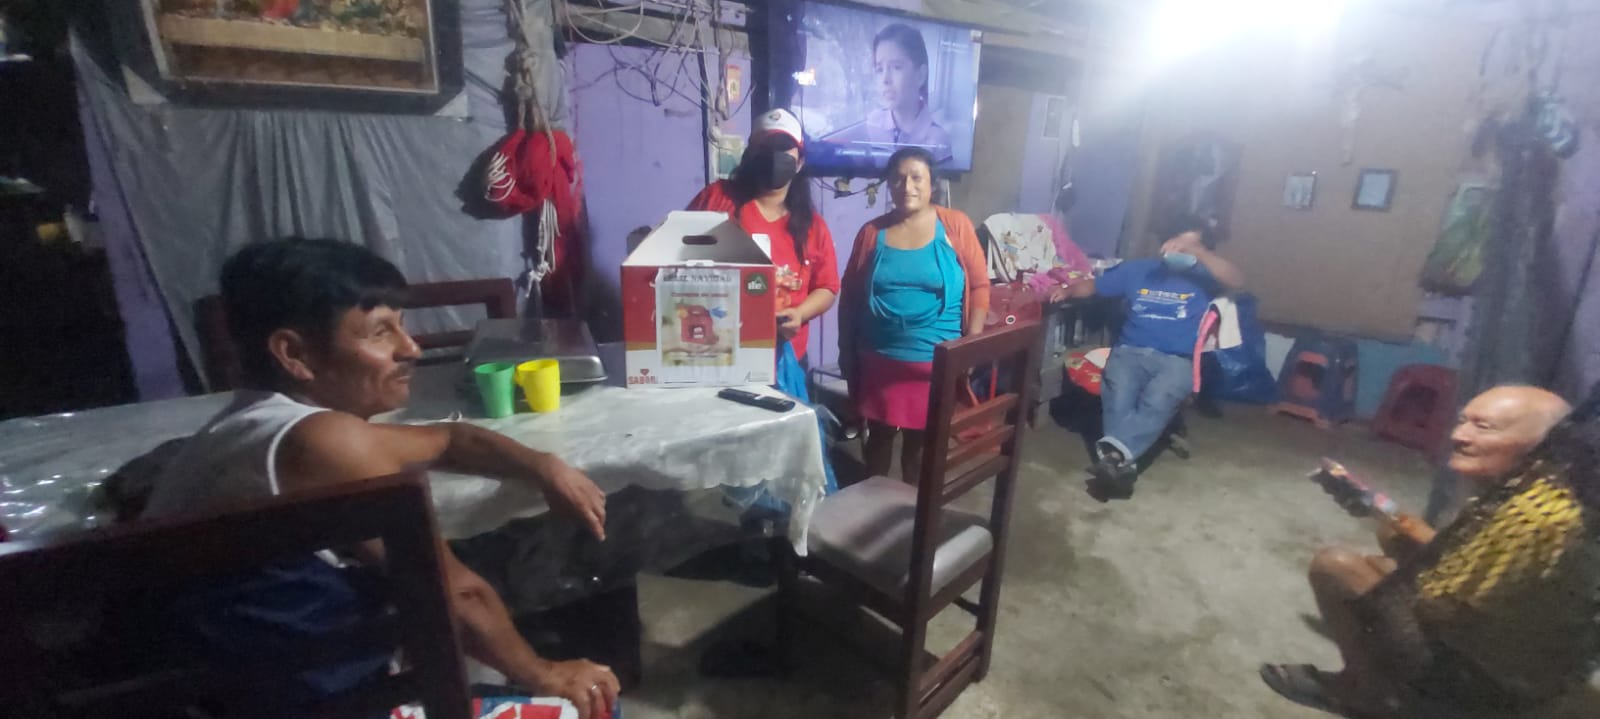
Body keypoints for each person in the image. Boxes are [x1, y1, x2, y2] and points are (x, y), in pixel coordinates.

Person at [144, 239, 621, 719]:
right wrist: (546, 674)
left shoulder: (261, 421)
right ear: (294, 354)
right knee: (590, 707)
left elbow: (450, 438)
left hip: (241, 689)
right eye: (379, 332)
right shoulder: (323, 442)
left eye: (402, 326)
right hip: (298, 705)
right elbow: (456, 594)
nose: (410, 348)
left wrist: (543, 465)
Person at [1261, 385, 1597, 717]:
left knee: (1336, 567)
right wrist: (1383, 514)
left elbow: (1448, 610)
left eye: (1483, 427)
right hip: (1505, 640)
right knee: (1392, 536)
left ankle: (1364, 694)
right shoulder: (1532, 486)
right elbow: (1460, 558)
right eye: (1463, 421)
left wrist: (1391, 580)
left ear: (1539, 444)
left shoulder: (1531, 518)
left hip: (1493, 677)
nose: (1459, 435)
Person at [1058, 218, 1245, 499]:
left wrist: (1198, 252)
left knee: (1159, 398)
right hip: (1130, 351)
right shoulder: (1140, 269)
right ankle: (1120, 466)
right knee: (1118, 396)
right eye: (1178, 241)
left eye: (1192, 244)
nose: (1182, 248)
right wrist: (1067, 290)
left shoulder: (1205, 277)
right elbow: (1094, 285)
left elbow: (1238, 280)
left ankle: (1114, 460)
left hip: (1177, 359)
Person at [838, 147, 988, 483]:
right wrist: (845, 350)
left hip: (935, 366)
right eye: (898, 178)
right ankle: (872, 505)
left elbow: (980, 286)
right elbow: (849, 297)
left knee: (920, 456)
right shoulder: (871, 232)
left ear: (932, 184)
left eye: (917, 177)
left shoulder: (955, 226)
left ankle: (913, 512)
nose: (907, 186)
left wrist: (972, 342)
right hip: (879, 362)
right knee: (877, 446)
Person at [687, 108, 839, 364]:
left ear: (800, 162)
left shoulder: (813, 226)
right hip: (719, 352)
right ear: (749, 155)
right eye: (765, 147)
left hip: (784, 359)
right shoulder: (717, 198)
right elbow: (678, 253)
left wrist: (800, 314)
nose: (774, 157)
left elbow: (827, 287)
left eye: (784, 149)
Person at [864, 24, 951, 158]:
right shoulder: (873, 122)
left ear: (920, 75)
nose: (885, 79)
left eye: (896, 67)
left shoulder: (937, 140)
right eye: (880, 69)